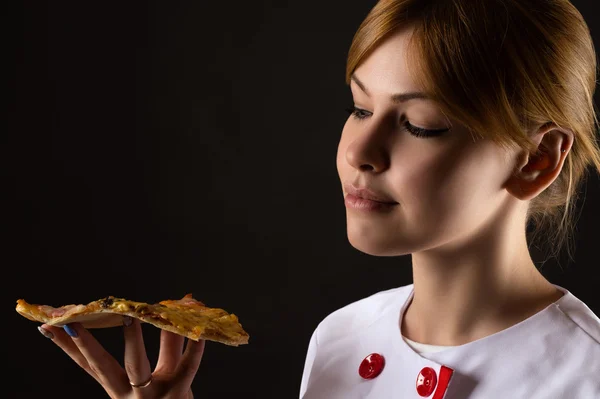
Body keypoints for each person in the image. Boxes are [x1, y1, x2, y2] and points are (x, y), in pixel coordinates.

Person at [299, 0, 600, 398]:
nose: (359, 153)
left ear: (537, 160)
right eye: (360, 109)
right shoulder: (339, 339)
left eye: (420, 126)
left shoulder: (587, 376)